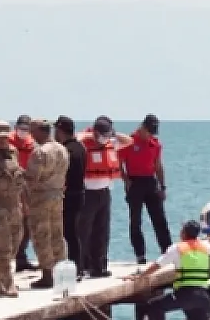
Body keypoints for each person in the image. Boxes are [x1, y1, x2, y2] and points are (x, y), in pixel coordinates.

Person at [123, 220, 210, 320]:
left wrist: (140, 276)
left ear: (184, 233)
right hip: (202, 297)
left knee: (151, 307)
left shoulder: (177, 248)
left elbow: (157, 265)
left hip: (185, 295)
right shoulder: (205, 247)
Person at [77, 116, 132, 277]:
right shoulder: (84, 144)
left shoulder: (111, 143)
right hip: (87, 192)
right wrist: (89, 135)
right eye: (102, 135)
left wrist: (112, 134)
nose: (104, 139)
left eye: (107, 135)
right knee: (83, 231)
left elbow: (128, 141)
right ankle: (81, 266)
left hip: (104, 193)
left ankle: (99, 266)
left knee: (102, 231)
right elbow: (74, 139)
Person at [23, 118, 69, 289]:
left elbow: (32, 179)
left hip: (41, 197)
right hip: (57, 195)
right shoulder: (62, 149)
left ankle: (47, 274)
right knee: (57, 233)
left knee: (41, 235)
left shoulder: (40, 152)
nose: (31, 135)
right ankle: (61, 270)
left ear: (41, 131)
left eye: (33, 131)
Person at [120, 114, 171, 264]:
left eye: (152, 132)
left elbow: (158, 166)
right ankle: (140, 255)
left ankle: (167, 251)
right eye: (149, 130)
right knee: (135, 221)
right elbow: (119, 164)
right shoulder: (129, 141)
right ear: (142, 127)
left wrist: (162, 186)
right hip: (134, 182)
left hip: (150, 181)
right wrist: (126, 181)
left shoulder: (155, 144)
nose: (150, 134)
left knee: (159, 218)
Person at [0, 121, 27, 297]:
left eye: (5, 137)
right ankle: (8, 283)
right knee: (4, 247)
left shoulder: (13, 152)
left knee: (16, 243)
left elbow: (20, 180)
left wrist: (24, 204)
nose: (2, 141)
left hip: (14, 205)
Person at [54, 116, 86, 279]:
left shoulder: (67, 150)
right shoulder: (80, 147)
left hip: (70, 196)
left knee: (69, 233)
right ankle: (78, 267)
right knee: (73, 233)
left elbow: (64, 175)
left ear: (60, 131)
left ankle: (76, 268)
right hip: (80, 194)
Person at [10, 115, 37, 271]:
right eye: (21, 128)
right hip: (12, 185)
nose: (24, 132)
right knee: (12, 226)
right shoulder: (8, 141)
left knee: (27, 226)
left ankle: (21, 258)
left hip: (28, 185)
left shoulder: (32, 142)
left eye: (27, 129)